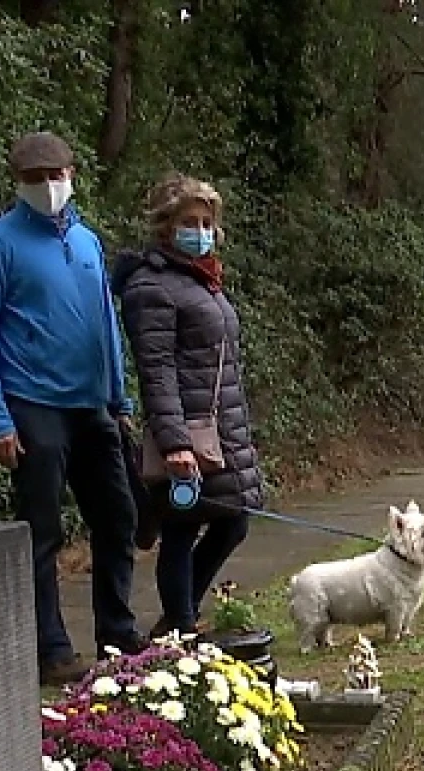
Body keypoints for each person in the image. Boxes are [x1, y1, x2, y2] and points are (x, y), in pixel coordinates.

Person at [0, 131, 146, 685]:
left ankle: (117, 632)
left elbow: (105, 323)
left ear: (72, 174)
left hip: (93, 405)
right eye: (35, 178)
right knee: (41, 530)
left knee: (119, 518)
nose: (47, 186)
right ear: (18, 182)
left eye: (55, 175)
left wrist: (119, 398)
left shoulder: (87, 242)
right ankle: (51, 648)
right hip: (32, 402)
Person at [110, 173, 265, 638]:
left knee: (233, 519)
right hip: (187, 431)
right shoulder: (152, 287)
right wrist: (175, 442)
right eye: (188, 221)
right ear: (164, 227)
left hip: (221, 426)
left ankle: (181, 617)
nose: (200, 230)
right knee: (182, 526)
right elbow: (156, 371)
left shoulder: (202, 281)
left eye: (206, 222)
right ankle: (181, 625)